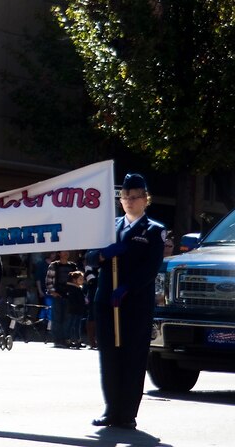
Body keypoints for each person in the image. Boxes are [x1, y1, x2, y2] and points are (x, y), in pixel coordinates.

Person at [87, 173, 165, 430]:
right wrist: (102, 254)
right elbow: (89, 258)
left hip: (135, 303)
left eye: (135, 197)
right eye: (125, 197)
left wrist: (127, 287)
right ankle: (111, 409)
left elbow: (151, 269)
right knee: (109, 357)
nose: (129, 201)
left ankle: (128, 412)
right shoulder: (109, 227)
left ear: (145, 199)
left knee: (132, 357)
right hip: (106, 301)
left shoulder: (153, 230)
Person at [46, 250, 78, 347]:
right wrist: (53, 292)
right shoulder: (54, 265)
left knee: (68, 318)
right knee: (57, 318)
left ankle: (67, 339)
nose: (66, 253)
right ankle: (57, 340)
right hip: (58, 295)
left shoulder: (73, 266)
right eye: (64, 251)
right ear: (59, 253)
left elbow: (77, 280)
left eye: (67, 251)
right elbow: (49, 280)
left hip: (69, 296)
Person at [65, 271, 86, 348]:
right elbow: (73, 300)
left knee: (77, 325)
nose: (82, 281)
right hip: (73, 309)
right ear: (74, 280)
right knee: (71, 325)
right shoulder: (72, 289)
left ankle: (78, 340)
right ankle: (68, 340)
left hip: (78, 309)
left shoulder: (78, 288)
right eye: (80, 279)